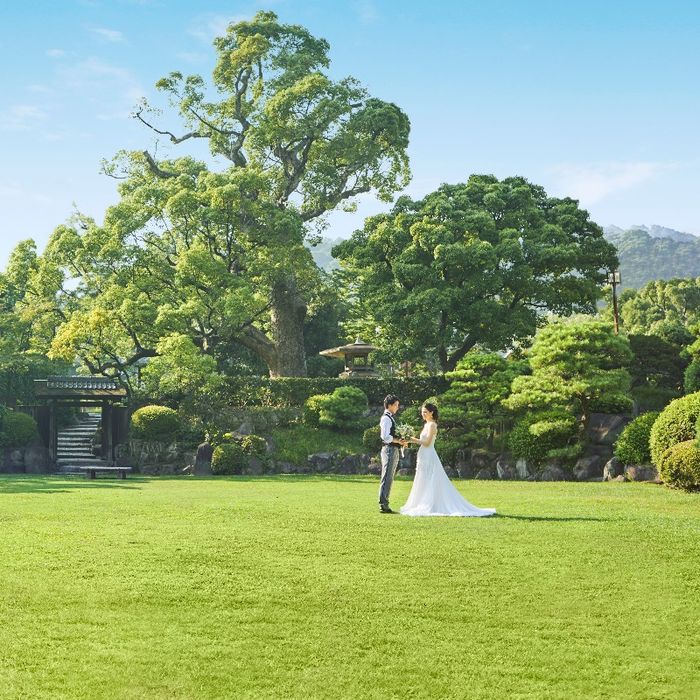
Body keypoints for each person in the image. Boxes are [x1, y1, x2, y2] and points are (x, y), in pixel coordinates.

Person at [400, 403, 496, 517]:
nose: (423, 414)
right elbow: (421, 442)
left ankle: (430, 503)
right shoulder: (426, 425)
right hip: (423, 455)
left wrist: (412, 439)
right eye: (422, 411)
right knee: (422, 478)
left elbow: (427, 443)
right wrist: (408, 440)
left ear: (431, 413)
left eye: (425, 411)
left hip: (429, 454)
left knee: (431, 478)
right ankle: (421, 501)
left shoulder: (432, 425)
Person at [378, 394, 408, 514]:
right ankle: (383, 504)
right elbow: (385, 437)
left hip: (392, 449)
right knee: (387, 476)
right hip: (389, 449)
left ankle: (385, 502)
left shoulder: (390, 417)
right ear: (389, 405)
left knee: (389, 477)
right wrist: (397, 440)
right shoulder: (386, 418)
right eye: (396, 405)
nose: (397, 407)